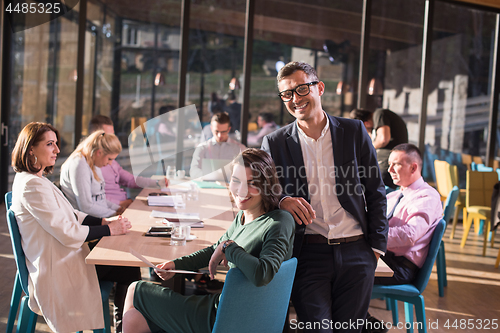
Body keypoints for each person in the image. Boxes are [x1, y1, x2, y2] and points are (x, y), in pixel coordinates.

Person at [261, 61, 388, 333]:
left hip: (357, 251)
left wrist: (376, 248)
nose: (295, 99)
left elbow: (375, 190)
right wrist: (283, 200)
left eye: (301, 89)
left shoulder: (354, 132)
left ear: (319, 88)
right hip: (308, 253)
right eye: (287, 94)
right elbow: (264, 191)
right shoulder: (275, 143)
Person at [122, 148, 296, 333]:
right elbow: (215, 248)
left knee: (135, 289)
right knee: (134, 318)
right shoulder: (243, 216)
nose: (241, 190)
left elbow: (263, 273)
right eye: (236, 181)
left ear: (266, 184)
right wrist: (176, 264)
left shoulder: (279, 222)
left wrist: (228, 247)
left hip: (230, 317)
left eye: (251, 183)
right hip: (226, 305)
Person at [10, 122, 132, 333]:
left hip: (61, 256)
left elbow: (73, 214)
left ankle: (124, 329)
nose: (57, 150)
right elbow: (68, 233)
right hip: (57, 266)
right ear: (31, 148)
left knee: (126, 267)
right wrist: (110, 230)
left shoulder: (36, 180)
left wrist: (103, 222)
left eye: (56, 144)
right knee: (127, 269)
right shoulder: (32, 186)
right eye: (50, 144)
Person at [60, 129, 142, 332]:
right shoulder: (79, 164)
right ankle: (124, 326)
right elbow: (86, 206)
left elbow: (99, 199)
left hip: (92, 229)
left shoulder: (89, 163)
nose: (109, 164)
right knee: (129, 268)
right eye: (108, 159)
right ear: (98, 152)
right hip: (83, 242)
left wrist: (117, 212)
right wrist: (112, 219)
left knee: (131, 268)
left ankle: (124, 326)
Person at [366, 143, 443, 333]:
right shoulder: (397, 195)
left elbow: (409, 235)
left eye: (396, 164)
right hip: (386, 259)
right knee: (336, 264)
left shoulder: (426, 197)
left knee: (343, 273)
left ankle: (365, 326)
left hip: (400, 267)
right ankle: (363, 324)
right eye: (389, 164)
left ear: (413, 167)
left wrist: (370, 236)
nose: (389, 170)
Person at [88, 115, 168, 209]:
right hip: (115, 208)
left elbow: (130, 180)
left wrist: (157, 183)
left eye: (113, 135)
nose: (113, 139)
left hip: (125, 204)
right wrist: (121, 203)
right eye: (109, 136)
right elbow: (95, 197)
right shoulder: (91, 164)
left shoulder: (111, 162)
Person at [350, 108, 408, 189]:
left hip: (385, 167)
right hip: (384, 167)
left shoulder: (379, 113)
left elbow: (383, 139)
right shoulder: (376, 124)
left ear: (365, 123)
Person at [190, 112, 246, 179]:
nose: (220, 135)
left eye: (223, 132)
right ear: (211, 129)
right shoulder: (202, 148)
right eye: (216, 131)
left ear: (229, 129)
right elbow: (193, 172)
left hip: (231, 187)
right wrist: (213, 176)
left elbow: (246, 172)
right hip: (207, 187)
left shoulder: (240, 148)